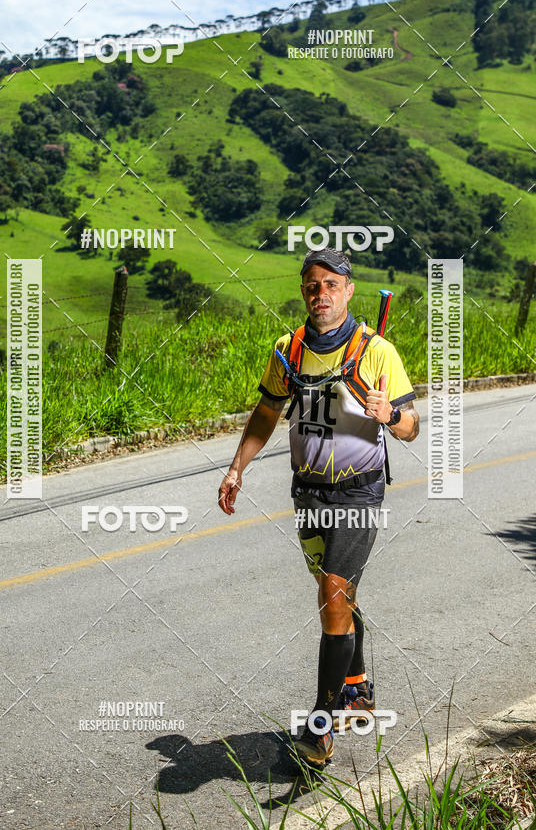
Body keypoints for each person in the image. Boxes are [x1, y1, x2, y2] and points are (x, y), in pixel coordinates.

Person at [217, 248, 420, 765]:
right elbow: (266, 411)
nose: (321, 294)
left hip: (358, 490)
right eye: (312, 285)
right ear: (303, 290)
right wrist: (238, 466)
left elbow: (412, 429)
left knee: (333, 596)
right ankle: (355, 684)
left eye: (331, 285)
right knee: (338, 595)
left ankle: (320, 726)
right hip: (307, 490)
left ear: (349, 290)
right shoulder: (289, 348)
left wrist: (388, 413)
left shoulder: (378, 351)